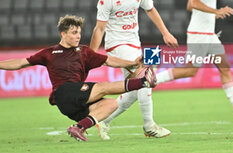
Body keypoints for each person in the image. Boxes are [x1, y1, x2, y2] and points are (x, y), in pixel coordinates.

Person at [0, 15, 157, 142]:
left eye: (79, 32)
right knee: (102, 87)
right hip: (63, 94)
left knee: (111, 104)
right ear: (63, 34)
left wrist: (132, 63)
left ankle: (79, 127)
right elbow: (20, 63)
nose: (78, 36)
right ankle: (143, 82)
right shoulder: (49, 52)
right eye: (74, 33)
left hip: (74, 103)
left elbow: (109, 61)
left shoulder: (84, 51)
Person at [90, 0, 178, 140]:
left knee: (132, 90)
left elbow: (150, 9)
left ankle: (103, 121)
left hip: (135, 42)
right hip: (117, 44)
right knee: (145, 75)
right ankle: (149, 126)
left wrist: (165, 33)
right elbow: (99, 28)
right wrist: (90, 54)